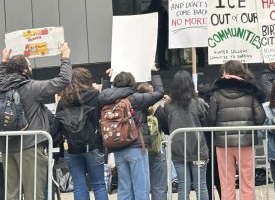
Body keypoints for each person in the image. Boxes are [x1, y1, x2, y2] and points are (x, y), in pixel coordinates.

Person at [0, 44, 72, 200]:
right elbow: (63, 80)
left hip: (6, 147)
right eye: (29, 64)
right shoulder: (32, 88)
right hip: (30, 147)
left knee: (11, 194)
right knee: (34, 194)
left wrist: (3, 62)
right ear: (25, 70)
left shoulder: (2, 87)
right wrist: (65, 58)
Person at [98, 66, 164, 200]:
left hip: (117, 148)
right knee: (141, 186)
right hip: (136, 146)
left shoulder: (106, 99)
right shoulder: (135, 99)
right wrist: (154, 73)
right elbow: (159, 92)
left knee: (124, 187)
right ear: (132, 83)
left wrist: (106, 79)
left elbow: (103, 93)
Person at [208, 60, 266, 200]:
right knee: (247, 180)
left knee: (226, 181)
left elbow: (210, 119)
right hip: (245, 142)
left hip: (223, 144)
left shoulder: (216, 93)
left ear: (226, 72)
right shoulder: (250, 91)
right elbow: (261, 118)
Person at [56, 67, 108, 200]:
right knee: (99, 185)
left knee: (79, 184)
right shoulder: (95, 96)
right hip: (93, 145)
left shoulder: (63, 101)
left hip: (71, 147)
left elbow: (57, 126)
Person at [164, 70, 210, 200]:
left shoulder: (168, 105)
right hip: (198, 149)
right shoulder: (199, 103)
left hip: (178, 150)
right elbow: (206, 124)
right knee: (201, 186)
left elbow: (167, 127)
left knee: (183, 186)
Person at [137, 82, 168, 200]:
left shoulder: (136, 108)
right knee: (159, 185)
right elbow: (167, 129)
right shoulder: (157, 109)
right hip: (156, 148)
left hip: (141, 149)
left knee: (142, 184)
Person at [143, 0, 169, 70]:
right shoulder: (162, 10)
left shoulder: (147, 10)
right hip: (161, 33)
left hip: (151, 33)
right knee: (161, 50)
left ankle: (152, 65)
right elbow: (166, 21)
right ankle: (162, 64)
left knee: (152, 50)